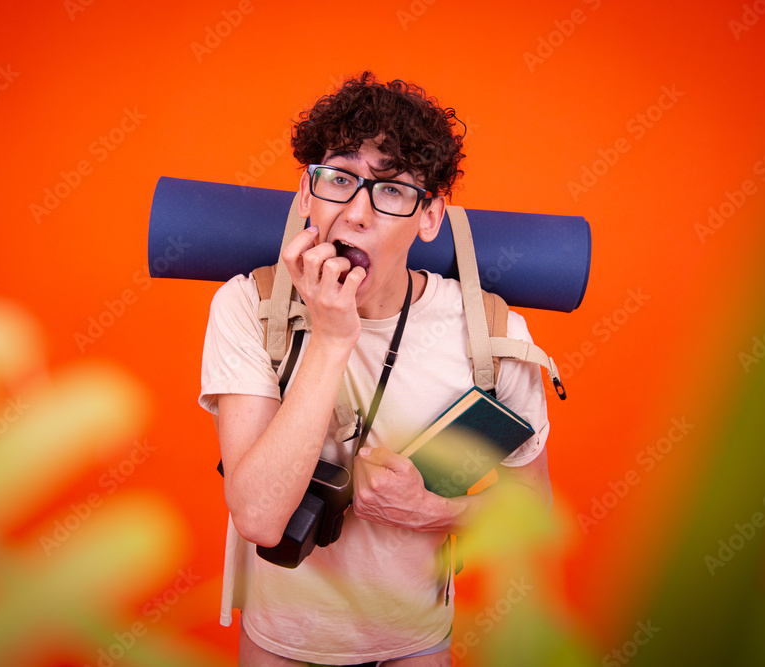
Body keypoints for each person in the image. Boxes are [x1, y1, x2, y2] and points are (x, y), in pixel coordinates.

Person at [199, 71, 552, 666]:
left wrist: (438, 511)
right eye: (339, 179)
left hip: (417, 645)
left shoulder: (490, 336)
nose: (357, 213)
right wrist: (333, 337)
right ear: (308, 195)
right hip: (280, 644)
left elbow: (533, 517)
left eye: (390, 191)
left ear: (431, 216)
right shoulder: (251, 308)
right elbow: (258, 516)